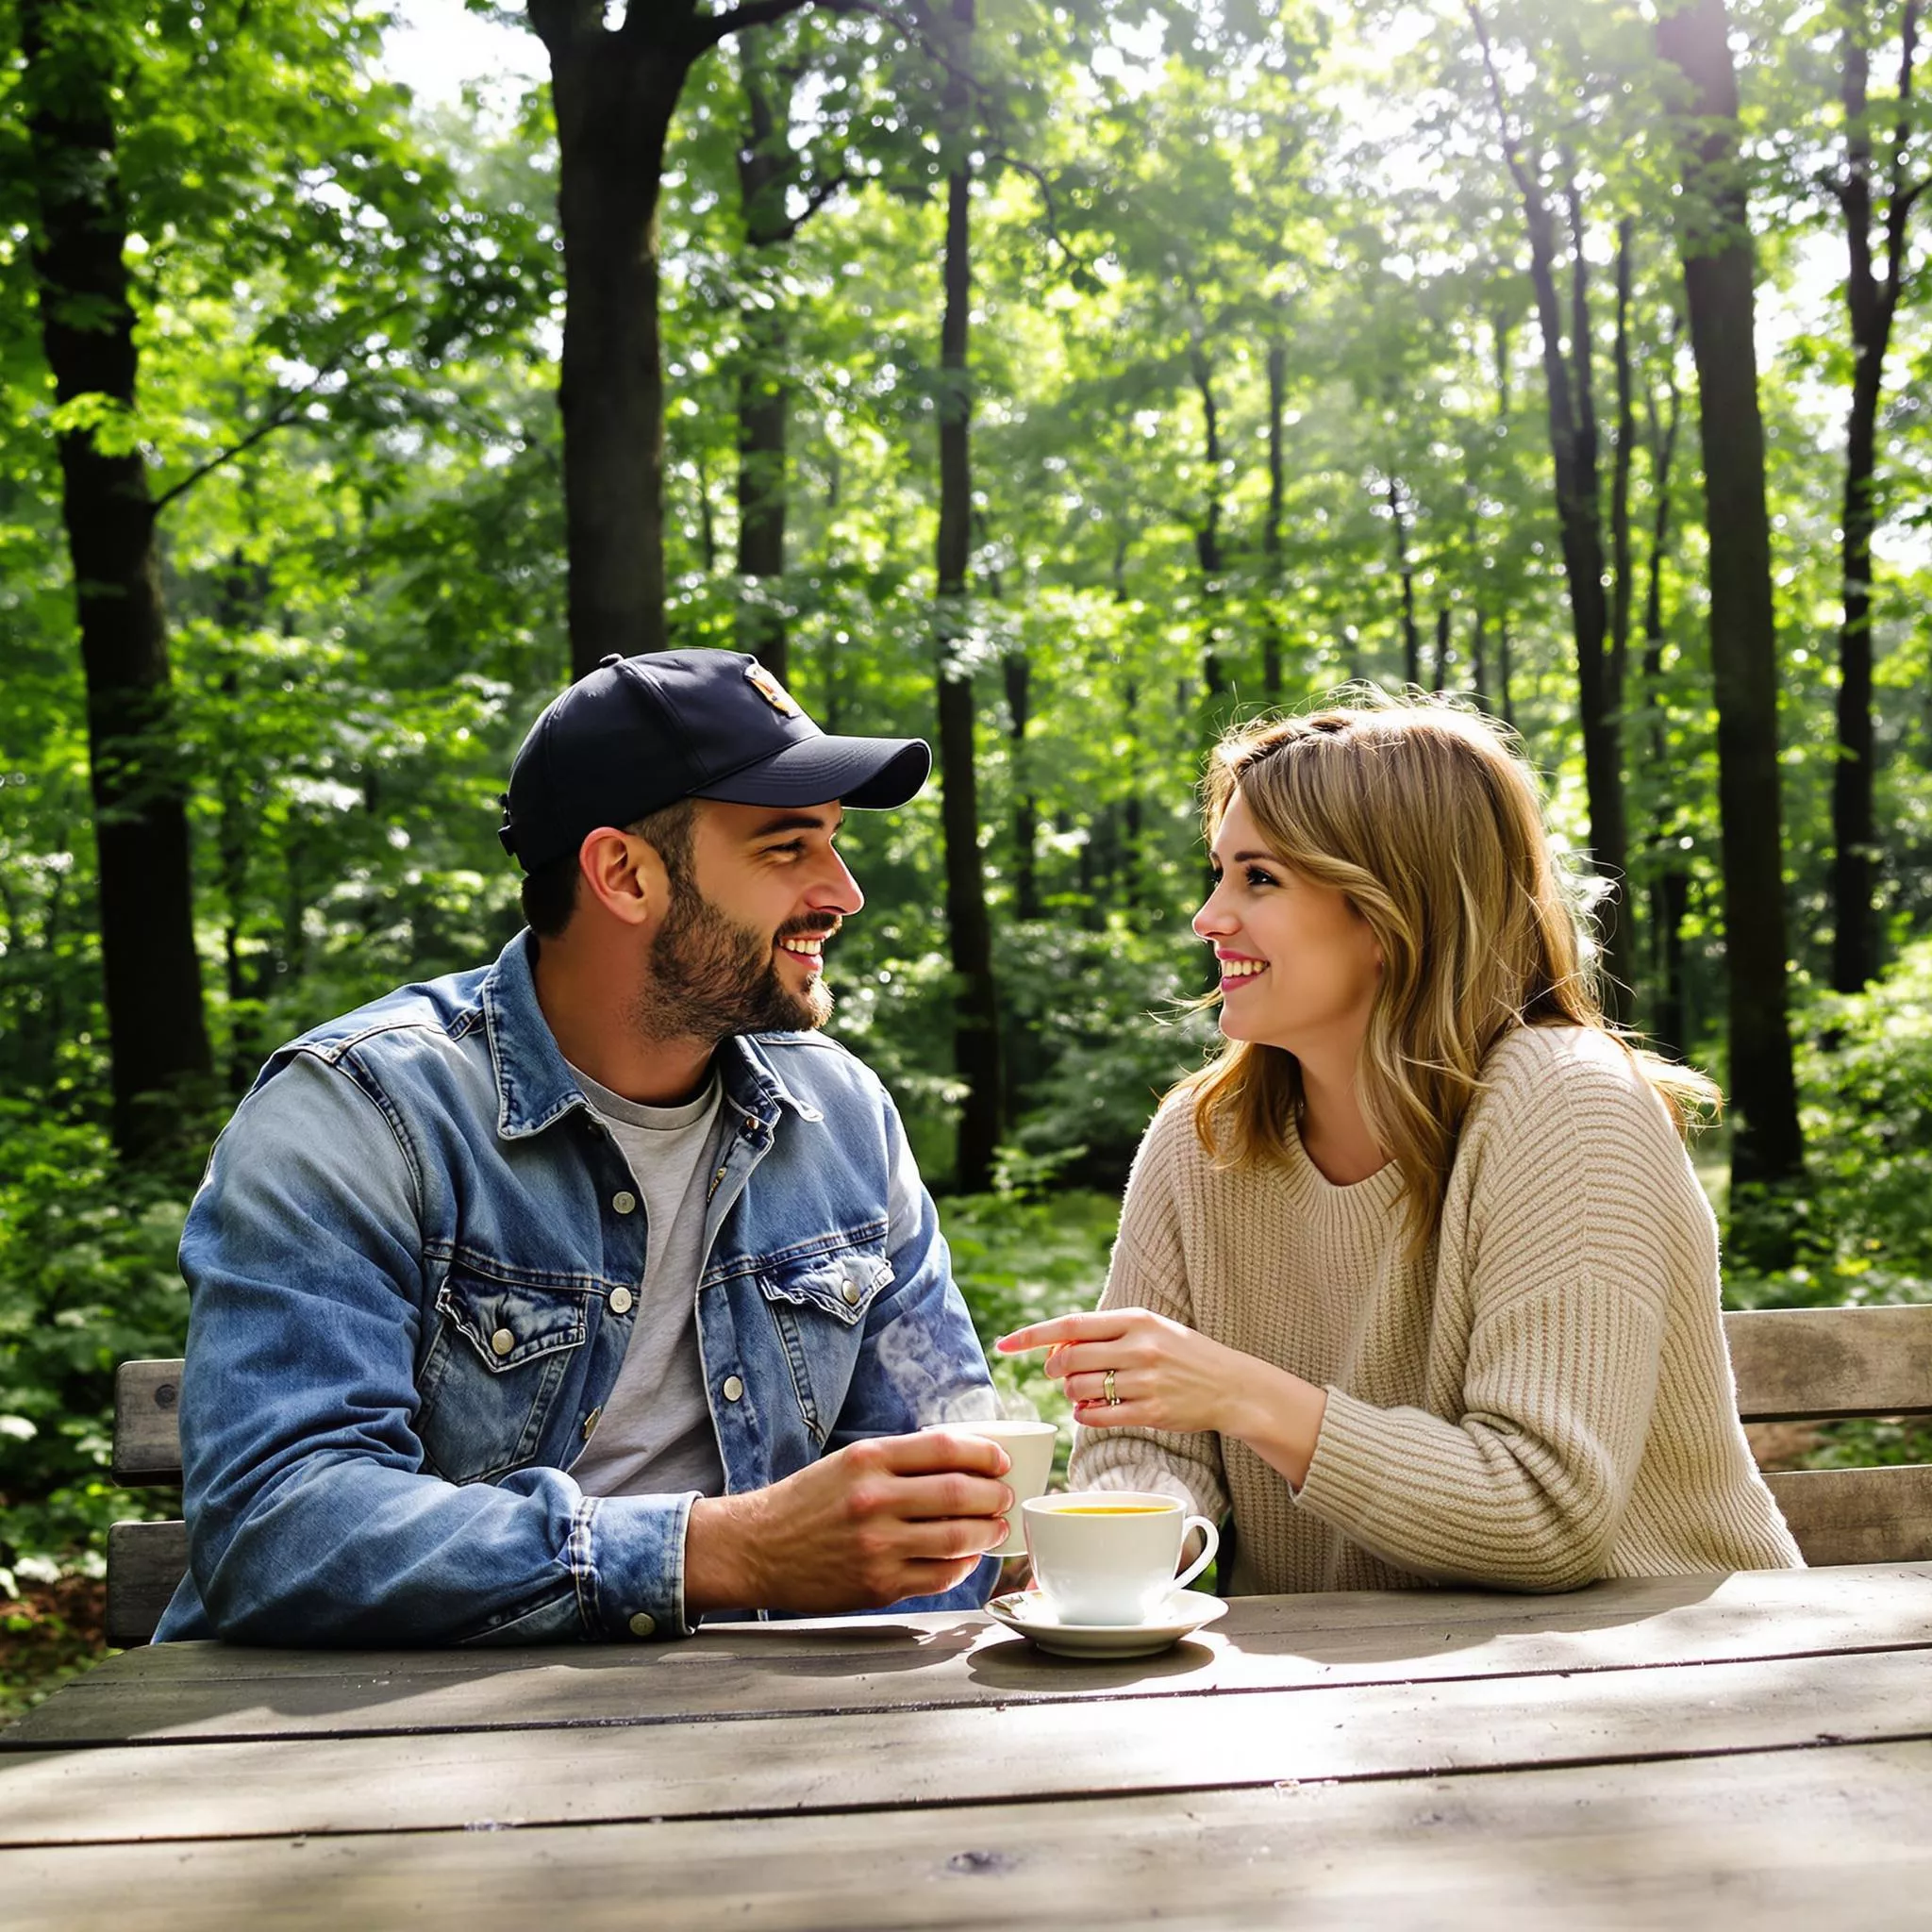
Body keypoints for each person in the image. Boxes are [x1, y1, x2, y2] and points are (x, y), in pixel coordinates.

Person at [157, 649, 1012, 1647]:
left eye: (833, 843)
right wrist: (719, 1550)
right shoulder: (357, 1114)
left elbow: (941, 1490)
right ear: (623, 873)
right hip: (379, 1740)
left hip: (765, 1740)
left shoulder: (844, 1118)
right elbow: (280, 1525)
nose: (843, 891)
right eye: (787, 848)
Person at [999, 696, 1801, 1594]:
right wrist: (1140, 1542)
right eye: (1218, 873)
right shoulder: (1201, 1140)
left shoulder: (1568, 1104)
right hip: (1355, 1704)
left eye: (1258, 879)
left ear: (1391, 911)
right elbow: (1145, 1442)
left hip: (1667, 1676)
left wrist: (1244, 1395)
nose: (1208, 918)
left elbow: (1545, 1514)